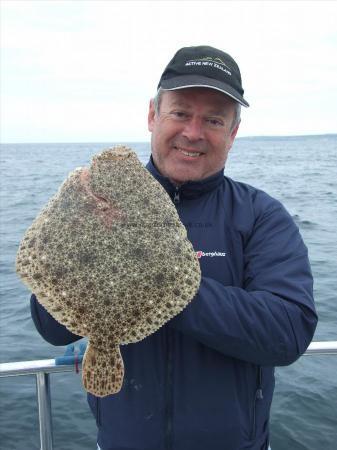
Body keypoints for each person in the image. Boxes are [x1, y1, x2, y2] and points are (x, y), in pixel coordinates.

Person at [30, 45, 318, 450]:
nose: (193, 132)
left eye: (214, 119)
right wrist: (79, 233)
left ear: (233, 132)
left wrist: (161, 276)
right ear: (153, 115)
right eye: (180, 113)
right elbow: (50, 327)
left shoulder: (260, 216)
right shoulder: (92, 201)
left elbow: (287, 333)